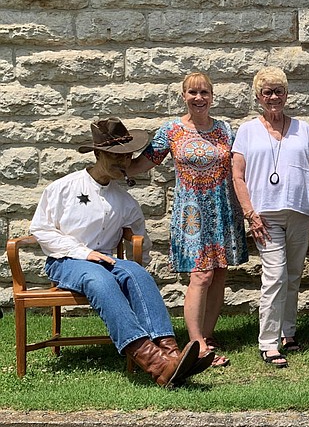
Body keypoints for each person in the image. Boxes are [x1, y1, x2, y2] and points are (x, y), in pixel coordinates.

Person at [29, 118, 209, 387]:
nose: (123, 163)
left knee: (136, 272)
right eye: (115, 156)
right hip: (65, 260)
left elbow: (140, 239)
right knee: (98, 279)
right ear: (98, 153)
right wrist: (82, 252)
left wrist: (137, 266)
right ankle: (155, 363)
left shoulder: (124, 200)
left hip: (106, 260)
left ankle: (172, 353)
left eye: (127, 157)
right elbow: (41, 230)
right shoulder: (63, 188)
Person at [129, 72, 248, 367]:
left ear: (212, 96)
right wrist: (119, 170)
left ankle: (207, 335)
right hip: (191, 212)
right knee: (201, 274)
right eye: (193, 93)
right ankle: (196, 344)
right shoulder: (172, 130)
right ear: (183, 95)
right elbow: (146, 161)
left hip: (222, 208)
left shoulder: (225, 130)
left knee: (219, 272)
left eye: (204, 92)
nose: (199, 98)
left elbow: (241, 164)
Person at [232, 67, 309, 368]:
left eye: (279, 91)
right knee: (275, 275)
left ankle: (288, 332)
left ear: (287, 94)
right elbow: (238, 176)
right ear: (258, 96)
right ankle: (268, 342)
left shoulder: (303, 129)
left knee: (293, 276)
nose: (274, 97)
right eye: (267, 92)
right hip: (265, 214)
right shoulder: (247, 131)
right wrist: (249, 213)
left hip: (299, 211)